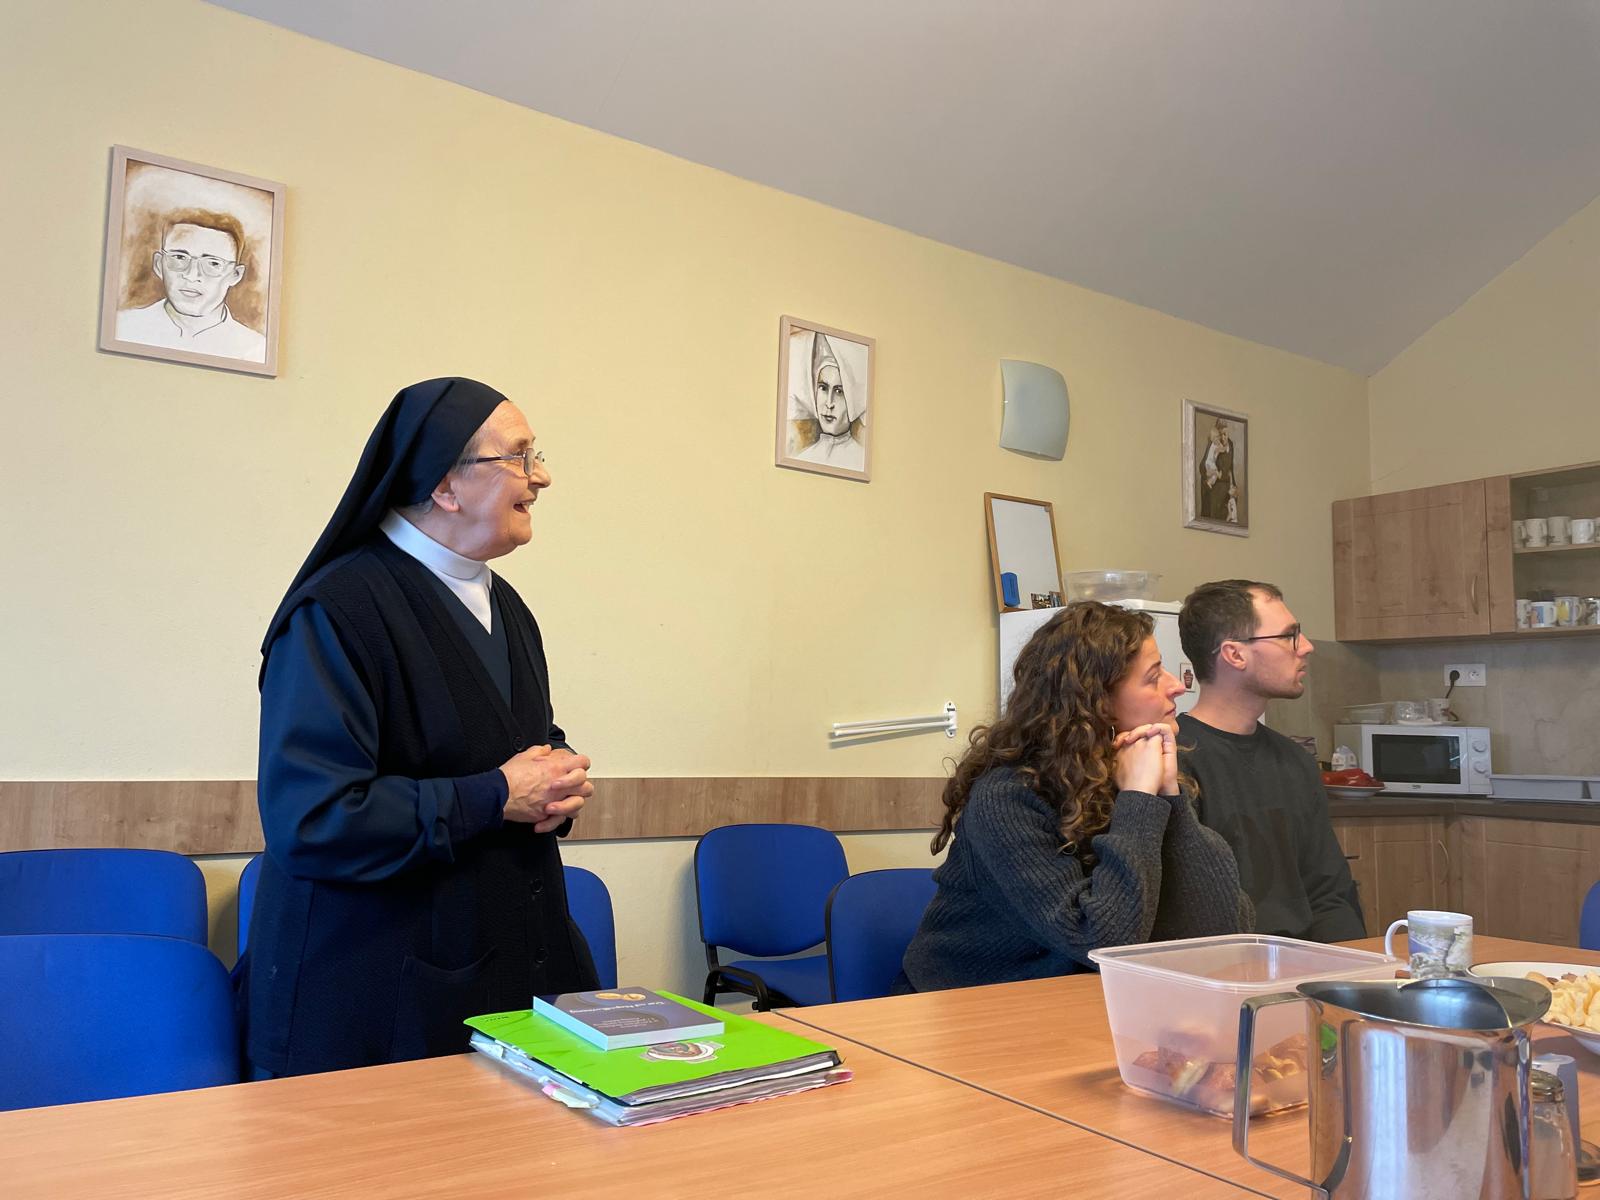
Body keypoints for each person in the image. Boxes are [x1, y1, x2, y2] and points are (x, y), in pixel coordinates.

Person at [239, 377, 598, 1078]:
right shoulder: (336, 611)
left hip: (501, 985)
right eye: (520, 456)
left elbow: (502, 742)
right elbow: (314, 819)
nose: (542, 477)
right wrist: (498, 795)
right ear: (444, 486)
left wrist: (554, 778)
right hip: (374, 1008)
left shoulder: (508, 606)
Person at [898, 602, 1252, 993]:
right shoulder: (1007, 798)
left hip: (1080, 997)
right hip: (969, 1002)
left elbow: (1224, 929)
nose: (1177, 685)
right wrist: (1138, 799)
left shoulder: (1134, 776)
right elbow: (1102, 940)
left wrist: (1171, 797)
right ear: (1098, 702)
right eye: (1153, 677)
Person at [1177, 579, 1365, 942]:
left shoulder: (1295, 761)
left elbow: (1329, 892)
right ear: (1235, 655)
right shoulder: (1175, 762)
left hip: (1305, 964)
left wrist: (1354, 967)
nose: (1306, 647)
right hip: (1218, 966)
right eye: (1289, 636)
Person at [114, 209, 267, 361]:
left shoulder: (255, 348)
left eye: (213, 263)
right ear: (159, 265)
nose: (192, 275)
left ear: (235, 275)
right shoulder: (123, 326)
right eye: (179, 257)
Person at [793, 331, 865, 471]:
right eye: (823, 388)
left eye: (839, 391)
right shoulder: (802, 458)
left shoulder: (860, 460)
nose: (829, 403)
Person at [1200, 419, 1235, 522]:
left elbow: (1230, 468)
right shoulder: (1214, 443)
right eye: (1221, 435)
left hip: (1225, 486)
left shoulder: (1230, 444)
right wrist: (1209, 473)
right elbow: (1203, 466)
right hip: (1215, 487)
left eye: (1225, 434)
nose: (1223, 438)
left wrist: (1233, 484)